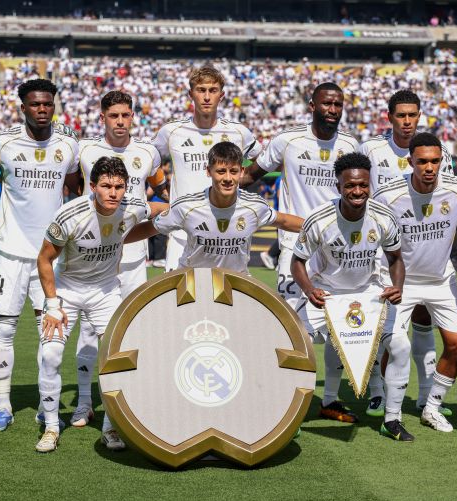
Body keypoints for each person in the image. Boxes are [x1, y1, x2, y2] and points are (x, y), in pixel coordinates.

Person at [242, 82, 360, 423]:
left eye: (338, 104)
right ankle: (283, 399)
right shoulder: (287, 140)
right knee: (291, 325)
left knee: (338, 326)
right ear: (312, 105)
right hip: (295, 245)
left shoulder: (351, 145)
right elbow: (251, 175)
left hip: (338, 248)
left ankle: (330, 399)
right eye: (326, 104)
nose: (332, 110)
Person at [34, 156, 165, 453]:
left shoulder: (132, 206)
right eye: (106, 186)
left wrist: (167, 222)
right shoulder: (69, 214)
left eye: (119, 186)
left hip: (106, 291)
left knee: (117, 358)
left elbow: (161, 210)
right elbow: (44, 259)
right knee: (51, 354)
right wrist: (52, 305)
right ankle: (52, 427)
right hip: (67, 289)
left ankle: (110, 427)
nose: (113, 192)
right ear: (92, 186)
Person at [0, 78, 81, 433]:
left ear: (54, 105)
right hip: (9, 251)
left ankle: (45, 404)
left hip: (50, 256)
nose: (42, 110)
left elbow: (76, 188)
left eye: (47, 104)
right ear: (23, 107)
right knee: (4, 327)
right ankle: (4, 406)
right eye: (35, 104)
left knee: (49, 331)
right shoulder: (2, 144)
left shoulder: (68, 144)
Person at [290, 152, 407, 437]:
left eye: (363, 185)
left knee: (401, 347)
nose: (357, 191)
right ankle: (289, 418)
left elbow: (395, 258)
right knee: (296, 347)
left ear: (370, 184)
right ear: (338, 186)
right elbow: (297, 262)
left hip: (368, 292)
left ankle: (392, 420)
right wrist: (309, 290)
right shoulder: (319, 219)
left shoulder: (383, 217)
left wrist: (398, 287)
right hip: (327, 293)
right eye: (350, 185)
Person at [73, 90, 165, 441]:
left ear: (133, 117)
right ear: (103, 118)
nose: (121, 121)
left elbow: (160, 189)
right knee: (89, 331)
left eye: (126, 115)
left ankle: (123, 407)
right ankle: (84, 402)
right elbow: (75, 192)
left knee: (132, 330)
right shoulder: (85, 151)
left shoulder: (147, 153)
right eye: (114, 116)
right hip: (94, 257)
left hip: (133, 257)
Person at [359, 89, 457, 417]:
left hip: (425, 249)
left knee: (424, 321)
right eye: (401, 115)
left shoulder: (437, 152)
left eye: (412, 115)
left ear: (419, 116)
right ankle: (376, 392)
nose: (406, 121)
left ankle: (425, 394)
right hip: (384, 252)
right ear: (390, 117)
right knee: (386, 331)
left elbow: (446, 198)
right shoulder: (371, 149)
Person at [372, 133, 457, 439]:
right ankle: (390, 414)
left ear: (442, 161)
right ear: (410, 161)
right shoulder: (387, 196)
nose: (429, 168)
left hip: (441, 280)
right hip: (401, 281)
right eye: (422, 162)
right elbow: (371, 235)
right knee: (393, 345)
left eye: (435, 161)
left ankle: (431, 407)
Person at [126, 141, 302, 273]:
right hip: (192, 284)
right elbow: (150, 228)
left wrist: (316, 227)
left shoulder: (255, 206)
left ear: (242, 172)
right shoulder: (186, 207)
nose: (227, 178)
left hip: (236, 285)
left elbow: (284, 221)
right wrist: (116, 241)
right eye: (220, 171)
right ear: (208, 171)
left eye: (233, 171)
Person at [150, 65, 262, 272]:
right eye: (201, 90)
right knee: (178, 292)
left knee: (227, 292)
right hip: (182, 231)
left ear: (222, 95)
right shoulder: (171, 131)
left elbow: (263, 161)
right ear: (191, 94)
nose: (207, 97)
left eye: (213, 90)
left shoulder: (239, 132)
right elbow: (148, 159)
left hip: (228, 233)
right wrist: (160, 187)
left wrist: (243, 180)